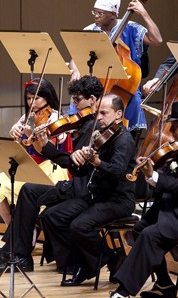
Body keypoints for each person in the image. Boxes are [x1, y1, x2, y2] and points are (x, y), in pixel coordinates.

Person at [109, 99, 178, 298]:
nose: (171, 133)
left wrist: (153, 176)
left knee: (150, 235)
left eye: (175, 127)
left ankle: (124, 292)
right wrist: (155, 169)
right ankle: (164, 285)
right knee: (139, 230)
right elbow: (176, 177)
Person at [0, 76, 104, 272]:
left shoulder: (94, 128)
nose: (74, 106)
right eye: (72, 100)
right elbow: (71, 161)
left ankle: (17, 248)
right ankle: (18, 250)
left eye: (77, 100)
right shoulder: (81, 125)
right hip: (70, 178)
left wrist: (44, 145)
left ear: (92, 100)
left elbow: (71, 164)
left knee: (29, 190)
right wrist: (23, 135)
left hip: (76, 184)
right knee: (25, 189)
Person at [40, 93, 137, 286]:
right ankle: (99, 258)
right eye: (97, 113)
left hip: (117, 200)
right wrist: (74, 158)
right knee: (51, 216)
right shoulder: (101, 136)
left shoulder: (124, 140)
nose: (98, 117)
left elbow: (117, 172)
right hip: (96, 196)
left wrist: (97, 161)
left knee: (79, 225)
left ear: (118, 114)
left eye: (104, 113)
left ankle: (95, 263)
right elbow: (82, 171)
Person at [70, 0, 163, 139]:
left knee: (135, 100)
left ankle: (127, 140)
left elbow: (157, 40)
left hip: (125, 87)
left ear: (113, 15)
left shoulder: (131, 28)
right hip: (96, 86)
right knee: (77, 99)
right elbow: (75, 58)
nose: (95, 16)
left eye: (100, 13)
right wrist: (75, 70)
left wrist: (143, 13)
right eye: (94, 12)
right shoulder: (90, 30)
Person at [3, 78, 71, 224]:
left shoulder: (55, 118)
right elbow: (20, 148)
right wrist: (14, 134)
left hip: (51, 165)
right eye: (28, 98)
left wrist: (30, 136)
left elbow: (47, 151)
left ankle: (30, 228)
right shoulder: (26, 118)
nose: (31, 103)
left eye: (36, 98)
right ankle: (13, 230)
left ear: (47, 97)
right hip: (30, 163)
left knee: (26, 188)